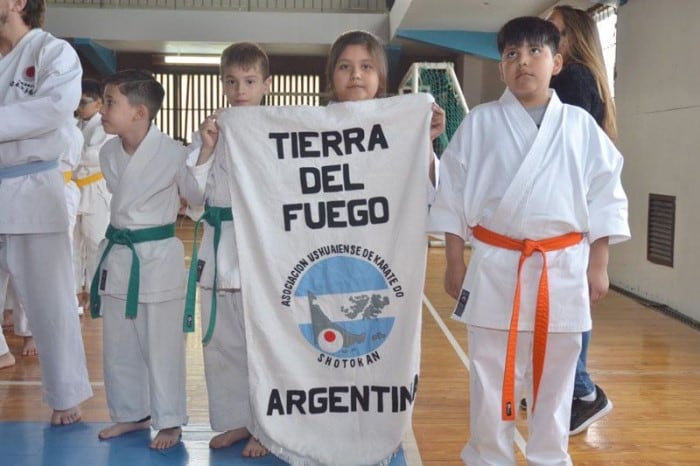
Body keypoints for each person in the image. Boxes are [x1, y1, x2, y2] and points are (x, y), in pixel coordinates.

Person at [428, 17, 629, 465]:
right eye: (511, 54)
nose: (523, 62)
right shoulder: (481, 122)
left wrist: (599, 263)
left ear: (557, 62)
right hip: (497, 265)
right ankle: (488, 456)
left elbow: (607, 194)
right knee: (490, 375)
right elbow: (453, 194)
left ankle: (549, 457)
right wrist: (454, 261)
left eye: (535, 52)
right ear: (501, 68)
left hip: (562, 268)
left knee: (555, 380)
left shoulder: (579, 126)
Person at [90, 69, 208, 450]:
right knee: (119, 344)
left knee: (162, 345)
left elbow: (195, 198)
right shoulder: (108, 152)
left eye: (111, 102)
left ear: (139, 113)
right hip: (120, 254)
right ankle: (131, 414)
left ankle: (170, 420)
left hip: (157, 259)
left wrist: (202, 154)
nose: (103, 110)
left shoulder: (175, 154)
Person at [0, 0, 93, 425]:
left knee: (50, 298)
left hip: (34, 184)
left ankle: (65, 396)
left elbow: (56, 107)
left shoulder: (52, 53)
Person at [183, 42, 271, 458]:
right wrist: (205, 148)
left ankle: (264, 427)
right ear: (222, 84)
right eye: (232, 82)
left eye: (250, 81)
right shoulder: (212, 131)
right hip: (216, 249)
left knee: (261, 345)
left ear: (265, 85)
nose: (240, 90)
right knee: (221, 343)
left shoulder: (276, 129)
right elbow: (192, 198)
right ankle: (237, 420)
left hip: (258, 250)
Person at [547, 5, 617, 436]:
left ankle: (584, 391)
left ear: (572, 35)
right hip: (573, 211)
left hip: (573, 213)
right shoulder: (578, 79)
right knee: (563, 303)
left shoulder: (572, 79)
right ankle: (569, 387)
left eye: (553, 31)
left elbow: (565, 151)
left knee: (568, 305)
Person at [325, 30, 445, 181]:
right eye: (344, 66)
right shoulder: (310, 130)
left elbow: (428, 191)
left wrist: (424, 139)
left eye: (366, 66)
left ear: (380, 78)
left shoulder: (399, 128)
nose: (355, 74)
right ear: (331, 76)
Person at [74, 78, 113, 311]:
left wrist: (71, 154)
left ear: (99, 103)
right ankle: (74, 291)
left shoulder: (104, 127)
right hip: (73, 188)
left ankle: (95, 289)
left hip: (95, 190)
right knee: (72, 244)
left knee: (95, 241)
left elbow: (93, 157)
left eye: (83, 102)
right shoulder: (73, 124)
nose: (78, 107)